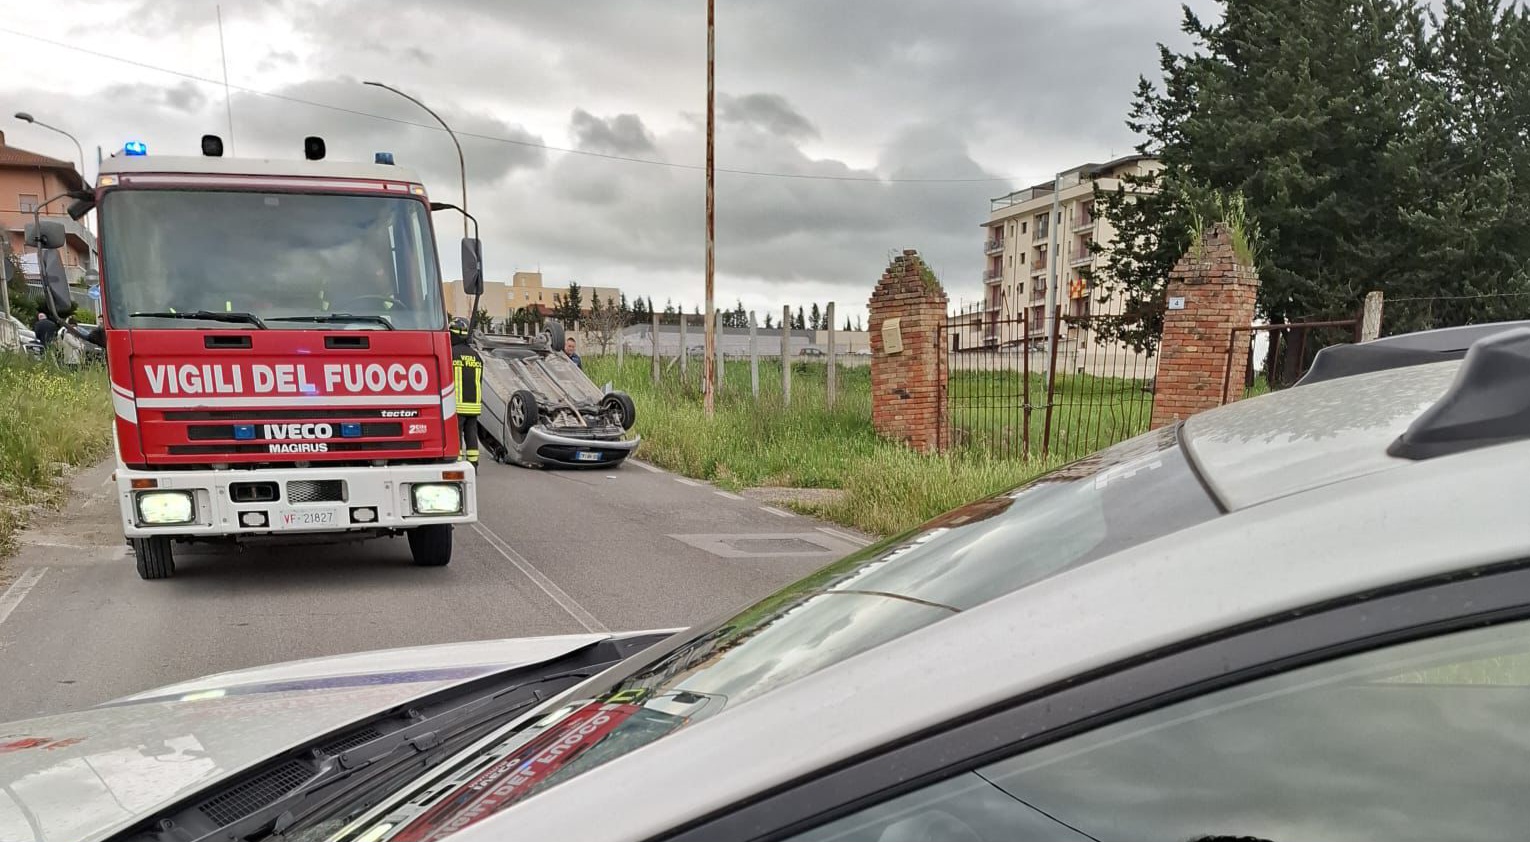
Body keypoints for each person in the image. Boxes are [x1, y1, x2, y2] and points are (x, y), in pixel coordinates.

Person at [449, 318, 484, 466]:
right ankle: (473, 464)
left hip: (456, 404)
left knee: (456, 434)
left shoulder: (451, 353)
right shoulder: (476, 355)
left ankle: (456, 463)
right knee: (471, 434)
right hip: (473, 404)